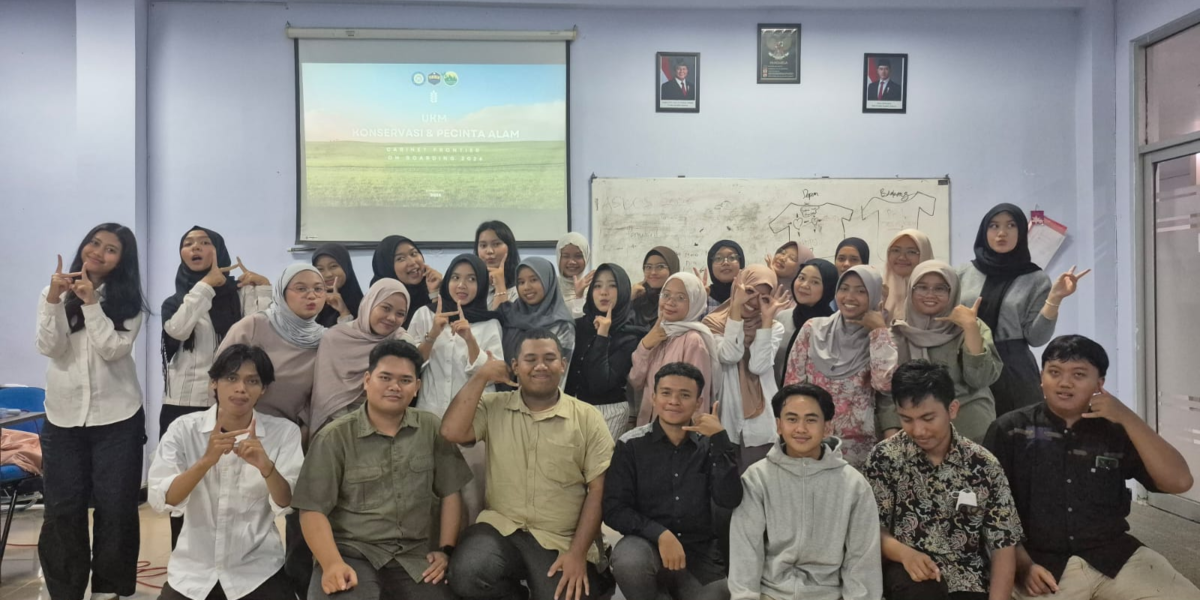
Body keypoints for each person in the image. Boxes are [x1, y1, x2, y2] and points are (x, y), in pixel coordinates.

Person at [984, 335, 1199, 600]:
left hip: (1113, 555)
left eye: (1078, 374)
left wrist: (1127, 417)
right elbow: (990, 510)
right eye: (1054, 372)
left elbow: (1179, 482)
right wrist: (1022, 565)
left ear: (1100, 384)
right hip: (1040, 563)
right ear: (1041, 377)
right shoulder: (1010, 430)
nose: (1064, 383)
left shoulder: (1115, 431)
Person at [440, 329, 615, 600]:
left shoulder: (587, 418)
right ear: (515, 366)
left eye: (549, 358)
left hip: (560, 538)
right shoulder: (494, 406)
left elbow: (598, 491)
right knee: (466, 573)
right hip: (501, 528)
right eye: (530, 359)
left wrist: (577, 553)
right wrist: (482, 375)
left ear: (563, 364)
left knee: (566, 594)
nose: (540, 366)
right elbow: (451, 432)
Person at [294, 339, 472, 600]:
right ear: (367, 380)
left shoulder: (431, 427)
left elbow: (451, 491)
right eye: (385, 377)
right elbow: (312, 509)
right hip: (350, 553)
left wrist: (445, 550)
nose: (394, 387)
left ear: (417, 387)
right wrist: (331, 564)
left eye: (405, 380)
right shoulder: (334, 437)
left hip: (412, 558)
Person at [37, 223, 150, 600]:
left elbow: (112, 349)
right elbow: (50, 347)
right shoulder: (52, 293)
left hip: (118, 419)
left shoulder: (130, 305)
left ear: (122, 261)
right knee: (62, 509)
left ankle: (108, 590)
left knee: (116, 508)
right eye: (95, 243)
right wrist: (54, 300)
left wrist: (91, 304)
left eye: (111, 249)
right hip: (63, 418)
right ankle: (65, 591)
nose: (99, 252)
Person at [149, 344, 305, 600]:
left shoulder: (283, 432)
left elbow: (287, 503)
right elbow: (163, 499)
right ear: (214, 383)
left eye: (252, 381)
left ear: (263, 389)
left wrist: (267, 468)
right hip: (193, 572)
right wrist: (205, 462)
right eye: (231, 378)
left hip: (257, 569)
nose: (241, 388)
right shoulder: (183, 429)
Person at [217, 263, 334, 599]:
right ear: (283, 292)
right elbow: (221, 375)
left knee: (296, 509)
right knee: (233, 511)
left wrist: (303, 434)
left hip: (288, 436)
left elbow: (320, 395)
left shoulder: (324, 340)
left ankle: (295, 584)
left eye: (319, 289)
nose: (311, 295)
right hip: (238, 431)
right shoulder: (254, 326)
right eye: (301, 288)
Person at [862, 360, 1022, 600]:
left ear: (952, 409)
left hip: (968, 579)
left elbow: (1003, 544)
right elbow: (873, 529)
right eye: (907, 419)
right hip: (909, 575)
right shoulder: (885, 458)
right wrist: (905, 554)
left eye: (928, 418)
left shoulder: (983, 465)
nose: (918, 430)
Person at [160, 226, 272, 548]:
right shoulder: (176, 301)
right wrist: (206, 286)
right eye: (188, 243)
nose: (195, 248)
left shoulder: (239, 296)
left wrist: (264, 288)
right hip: (182, 405)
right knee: (184, 489)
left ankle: (236, 557)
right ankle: (185, 559)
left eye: (205, 242)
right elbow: (178, 330)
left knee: (233, 490)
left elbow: (260, 336)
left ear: (219, 251)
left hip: (232, 405)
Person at [729, 383, 882, 600]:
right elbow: (745, 552)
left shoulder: (853, 485)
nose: (800, 429)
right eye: (792, 419)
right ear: (779, 425)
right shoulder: (757, 479)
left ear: (827, 427)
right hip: (770, 594)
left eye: (811, 420)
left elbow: (862, 560)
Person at [604, 362, 741, 600]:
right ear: (654, 397)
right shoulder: (631, 444)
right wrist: (660, 534)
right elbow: (615, 509)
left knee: (719, 594)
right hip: (647, 545)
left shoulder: (710, 444)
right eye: (666, 393)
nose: (674, 401)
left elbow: (729, 499)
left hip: (699, 553)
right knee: (629, 561)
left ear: (698, 402)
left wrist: (720, 440)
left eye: (685, 395)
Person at [957, 204, 1089, 417]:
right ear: (984, 231)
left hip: (1013, 367)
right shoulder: (962, 273)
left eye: (1011, 225)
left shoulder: (1035, 279)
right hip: (968, 360)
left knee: (1017, 432)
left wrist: (1055, 298)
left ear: (1021, 231)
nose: (1002, 233)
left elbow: (1036, 338)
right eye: (994, 226)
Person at [407, 254, 504, 523]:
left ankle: (472, 546)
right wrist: (433, 334)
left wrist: (470, 339)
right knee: (429, 495)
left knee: (473, 497)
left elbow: (493, 374)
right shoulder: (425, 314)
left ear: (481, 285)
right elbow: (409, 366)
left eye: (471, 279)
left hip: (473, 425)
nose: (462, 285)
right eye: (456, 277)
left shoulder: (490, 322)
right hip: (430, 419)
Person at [783, 265, 898, 465]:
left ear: (874, 295)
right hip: (811, 443)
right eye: (844, 289)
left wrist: (878, 330)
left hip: (859, 450)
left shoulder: (882, 338)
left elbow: (884, 384)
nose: (849, 297)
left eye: (861, 291)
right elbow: (792, 388)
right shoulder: (812, 329)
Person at [890, 262, 1001, 442]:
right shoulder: (898, 332)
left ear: (953, 292)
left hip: (970, 429)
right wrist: (892, 431)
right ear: (911, 290)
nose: (930, 294)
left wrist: (970, 327)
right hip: (916, 432)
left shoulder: (971, 326)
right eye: (922, 287)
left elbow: (979, 379)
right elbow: (888, 392)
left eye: (940, 288)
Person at [704, 266, 787, 467]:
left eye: (763, 297)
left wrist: (766, 322)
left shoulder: (774, 327)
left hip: (762, 421)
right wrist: (735, 311)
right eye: (749, 291)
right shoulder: (712, 323)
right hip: (726, 413)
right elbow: (729, 355)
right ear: (737, 288)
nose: (753, 301)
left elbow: (758, 366)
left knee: (760, 479)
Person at [310, 279, 413, 433]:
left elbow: (401, 394)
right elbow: (326, 396)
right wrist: (352, 429)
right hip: (336, 426)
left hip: (385, 426)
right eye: (385, 308)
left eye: (400, 314)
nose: (392, 318)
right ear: (369, 304)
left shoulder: (402, 342)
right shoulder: (335, 338)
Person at [631, 272, 720, 426]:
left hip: (678, 431)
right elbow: (636, 381)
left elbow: (698, 397)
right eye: (666, 295)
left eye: (680, 298)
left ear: (695, 302)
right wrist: (645, 346)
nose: (670, 302)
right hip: (649, 426)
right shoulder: (658, 333)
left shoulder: (693, 341)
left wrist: (691, 435)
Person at [566, 263, 640, 439]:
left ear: (623, 291)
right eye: (597, 286)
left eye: (612, 286)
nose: (603, 292)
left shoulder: (629, 335)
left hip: (609, 412)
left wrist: (602, 336)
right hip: (573, 408)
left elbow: (599, 384)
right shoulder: (582, 325)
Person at [494, 256, 577, 373]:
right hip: (502, 383)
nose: (526, 287)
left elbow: (559, 374)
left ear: (547, 280)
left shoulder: (562, 325)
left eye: (533, 280)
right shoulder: (508, 315)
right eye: (521, 282)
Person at [774, 258, 837, 385]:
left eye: (815, 282)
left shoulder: (833, 326)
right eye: (801, 278)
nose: (804, 285)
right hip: (778, 392)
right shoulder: (782, 317)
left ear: (828, 288)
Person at [369, 235, 440, 329]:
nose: (412, 262)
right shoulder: (377, 300)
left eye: (414, 254)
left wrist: (435, 294)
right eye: (400, 258)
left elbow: (442, 331)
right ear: (387, 267)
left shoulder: (436, 287)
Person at [882, 229, 933, 323]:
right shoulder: (876, 291)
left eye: (911, 252)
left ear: (924, 254)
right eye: (896, 250)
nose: (902, 257)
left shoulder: (937, 295)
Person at [312, 243, 364, 328]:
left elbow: (355, 336)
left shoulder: (363, 306)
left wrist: (344, 312)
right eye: (320, 269)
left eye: (333, 266)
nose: (328, 274)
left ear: (346, 266)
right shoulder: (311, 301)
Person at [629, 246, 680, 332]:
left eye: (660, 267)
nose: (653, 272)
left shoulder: (680, 302)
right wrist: (628, 298)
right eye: (648, 267)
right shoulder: (637, 298)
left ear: (672, 269)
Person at [475, 220, 521, 308]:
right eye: (483, 245)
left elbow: (501, 316)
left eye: (496, 244)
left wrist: (500, 285)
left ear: (509, 247)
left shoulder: (521, 287)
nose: (489, 251)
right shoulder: (472, 284)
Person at [767, 240, 815, 309]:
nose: (782, 258)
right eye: (782, 253)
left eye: (792, 258)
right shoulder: (758, 281)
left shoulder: (798, 304)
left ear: (800, 269)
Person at [556, 232, 590, 318]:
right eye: (566, 256)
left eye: (578, 256)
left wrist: (579, 297)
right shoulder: (551, 287)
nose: (572, 262)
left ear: (586, 257)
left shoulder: (594, 288)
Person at [704, 240, 745, 311]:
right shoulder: (704, 297)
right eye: (718, 258)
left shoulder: (750, 295)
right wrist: (698, 302)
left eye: (732, 258)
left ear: (741, 263)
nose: (725, 263)